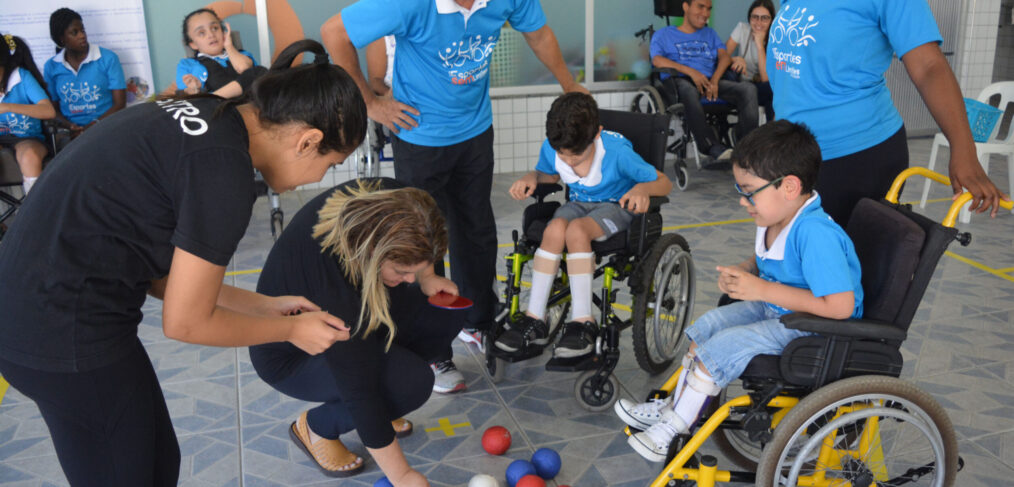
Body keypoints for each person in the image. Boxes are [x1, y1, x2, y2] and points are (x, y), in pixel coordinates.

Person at [0, 40, 366, 486]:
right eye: (330, 164)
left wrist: (268, 306)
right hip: (59, 331)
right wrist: (292, 331)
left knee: (157, 461)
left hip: (40, 307)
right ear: (308, 141)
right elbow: (186, 322)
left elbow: (161, 278)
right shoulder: (223, 172)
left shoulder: (211, 114)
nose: (321, 177)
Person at [321, 0, 587, 394]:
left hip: (475, 130)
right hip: (419, 136)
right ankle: (432, 348)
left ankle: (477, 321)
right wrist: (371, 103)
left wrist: (569, 85)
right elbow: (334, 32)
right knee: (422, 240)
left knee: (476, 227)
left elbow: (539, 32)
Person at [615, 121, 864, 462]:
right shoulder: (777, 217)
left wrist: (761, 288)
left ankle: (674, 426)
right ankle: (672, 404)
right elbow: (771, 261)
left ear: (789, 186)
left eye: (749, 191)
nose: (743, 201)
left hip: (817, 327)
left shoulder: (816, 235)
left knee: (723, 346)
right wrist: (748, 271)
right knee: (708, 327)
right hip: (781, 311)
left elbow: (840, 308)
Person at [249, 178, 465, 483]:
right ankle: (316, 427)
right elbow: (358, 386)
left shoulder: (402, 201)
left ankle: (386, 397)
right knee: (411, 383)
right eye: (402, 271)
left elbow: (426, 241)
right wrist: (402, 475)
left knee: (446, 308)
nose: (408, 278)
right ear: (374, 250)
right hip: (292, 356)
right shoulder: (333, 279)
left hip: (360, 306)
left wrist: (426, 275)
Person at [767, 0, 1010, 226]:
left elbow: (929, 67)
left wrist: (964, 149)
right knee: (790, 257)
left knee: (829, 263)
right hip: (794, 153)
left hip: (853, 156)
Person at [498, 92, 673, 358]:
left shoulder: (617, 153)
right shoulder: (554, 145)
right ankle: (535, 317)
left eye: (576, 158)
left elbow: (663, 182)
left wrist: (642, 189)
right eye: (562, 155)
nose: (568, 161)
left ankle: (583, 320)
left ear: (597, 134)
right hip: (578, 205)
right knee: (554, 229)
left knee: (576, 230)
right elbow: (552, 172)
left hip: (617, 207)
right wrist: (531, 177)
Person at [650, 0, 759, 163]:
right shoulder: (664, 34)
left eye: (708, 9)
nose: (706, 13)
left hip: (709, 82)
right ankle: (709, 146)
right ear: (686, 7)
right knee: (688, 89)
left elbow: (724, 57)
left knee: (748, 89)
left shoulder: (710, 34)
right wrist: (691, 72)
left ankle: (747, 149)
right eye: (700, 6)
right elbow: (657, 60)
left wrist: (715, 80)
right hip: (679, 83)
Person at [43, 8, 126, 138]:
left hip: (107, 127)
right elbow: (52, 109)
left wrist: (92, 126)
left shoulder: (107, 58)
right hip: (70, 133)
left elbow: (120, 104)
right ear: (62, 39)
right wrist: (70, 126)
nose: (82, 35)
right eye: (74, 33)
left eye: (82, 30)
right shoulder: (51, 66)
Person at [0, 33, 56, 195]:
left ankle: (36, 214)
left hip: (26, 137)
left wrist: (9, 107)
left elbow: (48, 111)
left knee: (29, 156)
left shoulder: (21, 77)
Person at [176, 8, 267, 99]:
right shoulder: (187, 64)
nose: (211, 35)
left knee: (260, 71)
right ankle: (211, 99)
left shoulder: (242, 54)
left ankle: (212, 98)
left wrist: (229, 46)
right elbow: (185, 96)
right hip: (217, 107)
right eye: (201, 33)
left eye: (215, 28)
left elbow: (244, 68)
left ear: (223, 32)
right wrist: (194, 89)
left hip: (246, 100)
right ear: (193, 44)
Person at [725, 0, 775, 122]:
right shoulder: (742, 29)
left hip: (761, 88)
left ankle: (770, 134)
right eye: (755, 17)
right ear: (749, 18)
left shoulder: (775, 38)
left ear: (772, 20)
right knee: (770, 95)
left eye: (764, 18)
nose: (759, 22)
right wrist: (735, 59)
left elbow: (765, 79)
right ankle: (768, 134)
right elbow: (721, 58)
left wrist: (759, 44)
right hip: (740, 85)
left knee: (772, 93)